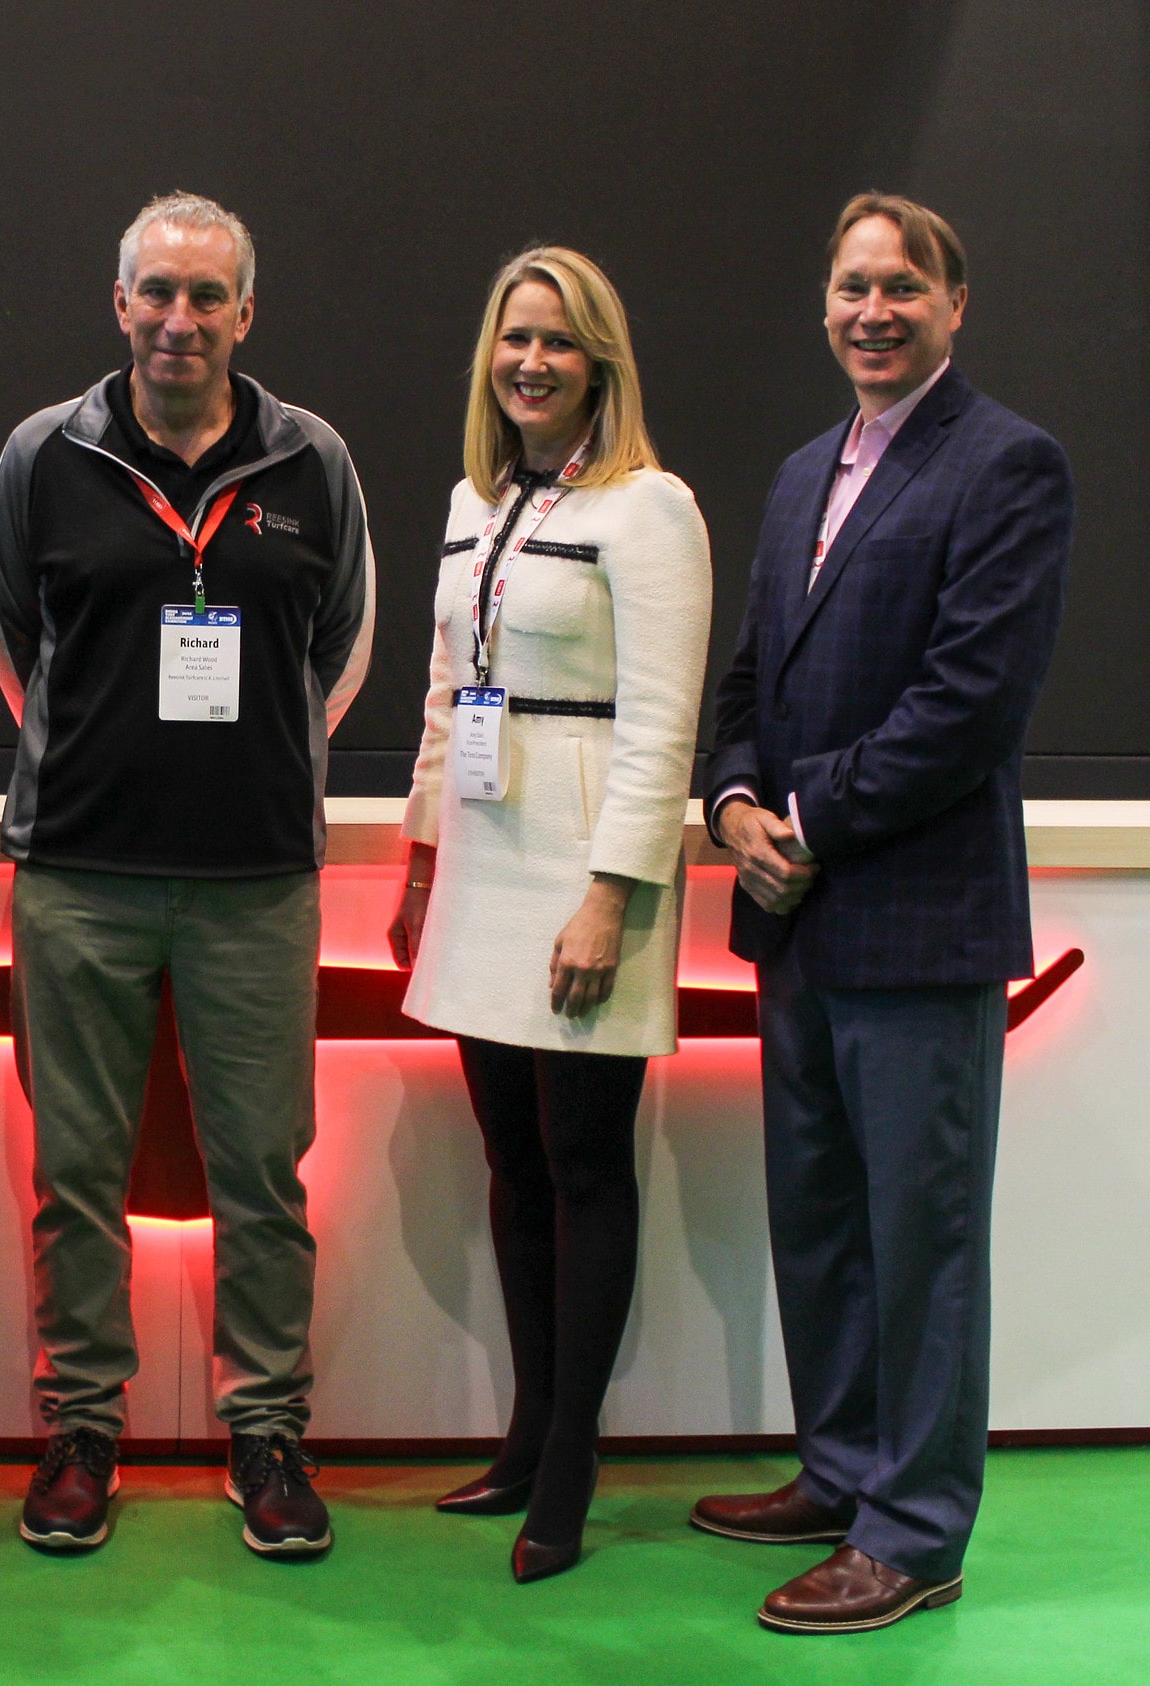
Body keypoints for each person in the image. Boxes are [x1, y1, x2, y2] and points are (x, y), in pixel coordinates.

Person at [691, 195, 1072, 1634]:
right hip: (798, 923)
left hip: (917, 925)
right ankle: (843, 1469)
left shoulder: (1009, 465)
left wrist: (810, 819)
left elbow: (969, 704)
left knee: (923, 1237)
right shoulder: (801, 477)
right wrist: (733, 804)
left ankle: (914, 1531)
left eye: (902, 287)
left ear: (954, 303)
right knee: (825, 1227)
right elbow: (748, 687)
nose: (872, 311)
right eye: (852, 286)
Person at [0, 193, 374, 1558]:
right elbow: (17, 643)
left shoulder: (314, 460)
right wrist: (110, 762)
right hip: (79, 872)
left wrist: (256, 763)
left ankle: (265, 1430)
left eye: (208, 297)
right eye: (158, 291)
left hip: (258, 880)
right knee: (77, 1167)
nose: (180, 319)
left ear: (245, 316)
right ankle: (81, 1427)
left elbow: (340, 647)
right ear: (120, 301)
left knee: (262, 1170)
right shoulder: (45, 455)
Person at [388, 246, 712, 1582]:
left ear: (602, 366)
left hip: (586, 874)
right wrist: (417, 868)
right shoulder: (478, 502)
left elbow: (662, 727)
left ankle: (573, 1460)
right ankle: (526, 1434)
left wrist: (610, 897)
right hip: (483, 860)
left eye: (560, 343)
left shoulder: (652, 510)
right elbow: (440, 690)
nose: (533, 362)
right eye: (516, 338)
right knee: (514, 1166)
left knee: (584, 1169)